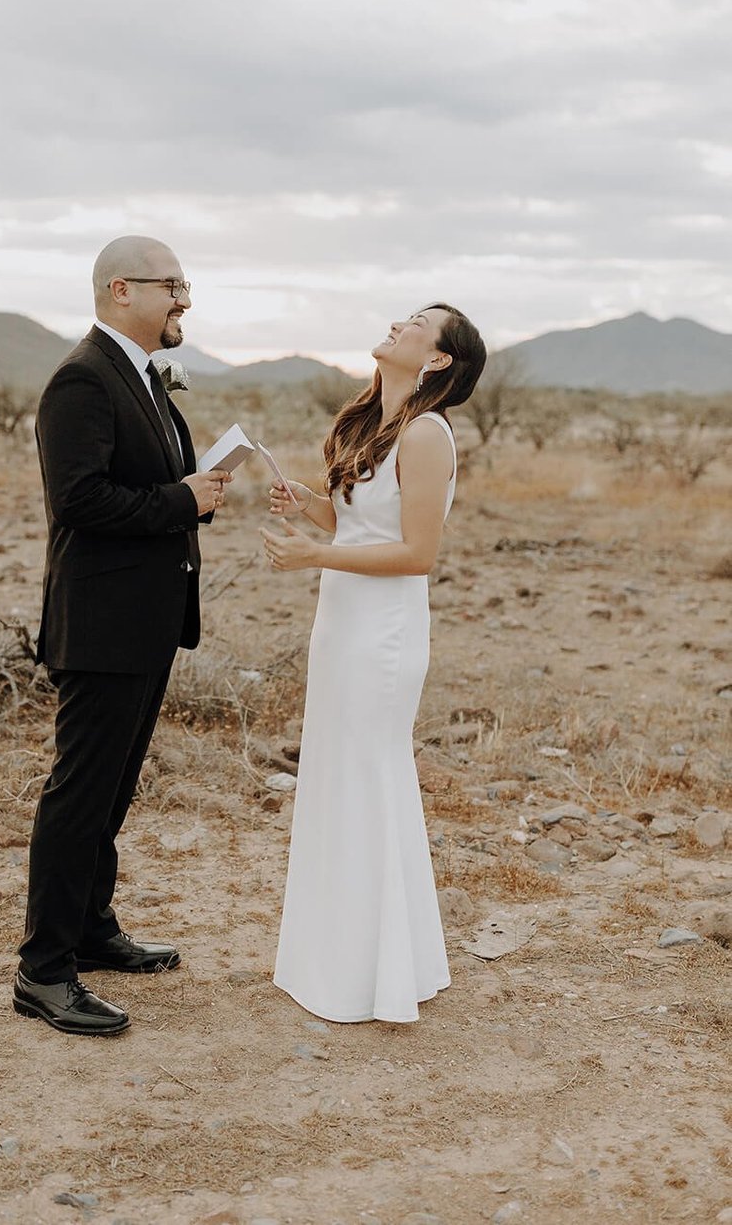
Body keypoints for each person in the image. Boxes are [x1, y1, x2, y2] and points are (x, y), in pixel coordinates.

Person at [15, 236, 230, 1036]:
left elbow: (145, 487)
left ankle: (93, 929)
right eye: (172, 284)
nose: (184, 299)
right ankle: (44, 971)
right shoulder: (81, 378)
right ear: (119, 290)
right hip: (100, 624)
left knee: (112, 791)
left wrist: (194, 492)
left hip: (145, 622)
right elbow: (78, 502)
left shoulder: (140, 377)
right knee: (79, 796)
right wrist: (184, 500)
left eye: (184, 283)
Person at [260, 303, 486, 1024]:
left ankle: (379, 971)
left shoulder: (426, 434)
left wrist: (316, 554)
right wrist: (310, 507)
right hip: (341, 623)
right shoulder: (370, 424)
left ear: (439, 359)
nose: (398, 323)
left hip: (382, 632)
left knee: (370, 776)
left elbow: (418, 554)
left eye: (418, 321)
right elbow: (359, 521)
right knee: (336, 775)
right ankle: (338, 961)